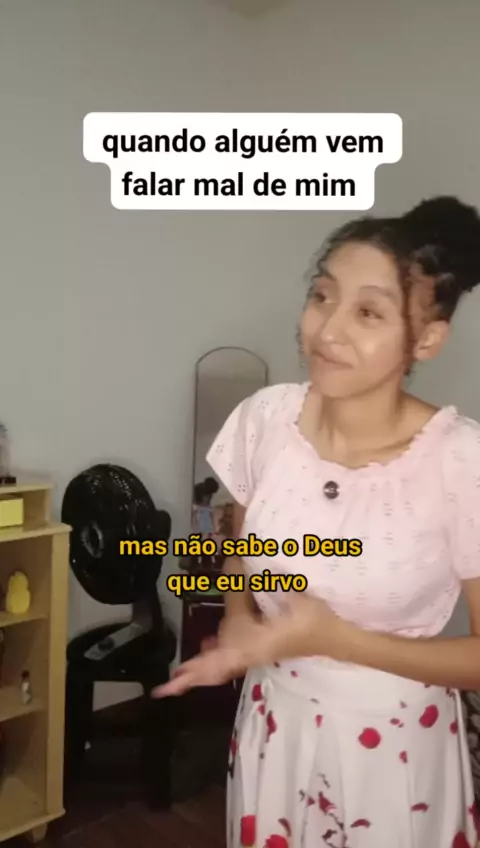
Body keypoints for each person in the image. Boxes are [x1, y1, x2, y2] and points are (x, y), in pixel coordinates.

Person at [155, 196, 480, 848]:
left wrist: (335, 639)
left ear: (426, 339)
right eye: (322, 295)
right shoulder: (265, 420)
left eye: (368, 312)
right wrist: (240, 623)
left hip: (394, 755)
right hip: (276, 728)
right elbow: (242, 546)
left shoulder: (460, 462)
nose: (327, 330)